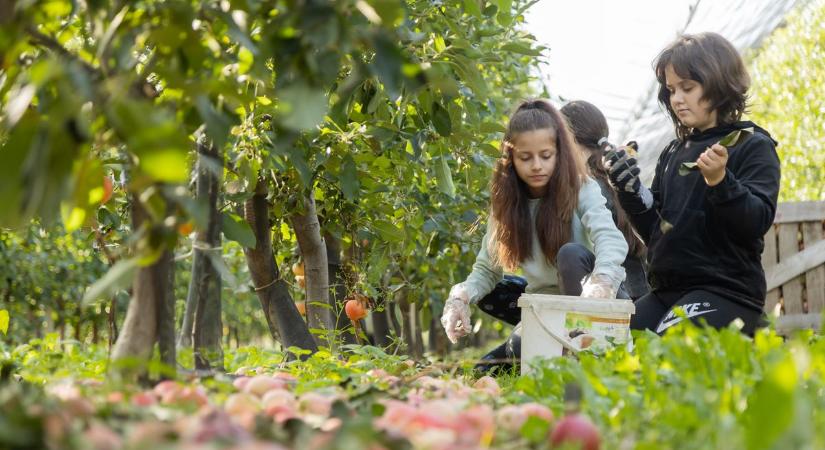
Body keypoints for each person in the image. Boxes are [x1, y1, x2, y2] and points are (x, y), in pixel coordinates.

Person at [602, 32, 780, 336]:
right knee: (606, 344)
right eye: (671, 90)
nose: (677, 99)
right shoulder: (673, 152)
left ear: (719, 85)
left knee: (660, 350)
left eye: (687, 87)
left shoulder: (753, 145)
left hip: (726, 292)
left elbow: (756, 222)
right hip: (666, 293)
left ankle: (749, 337)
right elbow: (655, 231)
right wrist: (627, 189)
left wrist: (721, 182)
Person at [439, 99, 629, 373]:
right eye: (526, 158)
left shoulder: (580, 188)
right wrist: (460, 298)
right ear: (511, 160)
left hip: (594, 299)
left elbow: (609, 238)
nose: (537, 165)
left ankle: (586, 355)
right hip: (546, 309)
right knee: (491, 366)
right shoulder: (507, 205)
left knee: (570, 254)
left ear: (559, 153)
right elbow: (486, 270)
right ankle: (552, 349)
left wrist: (602, 281)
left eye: (546, 155)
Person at [560, 100, 650, 300]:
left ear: (568, 138)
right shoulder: (611, 180)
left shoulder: (588, 187)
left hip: (614, 298)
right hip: (639, 296)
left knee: (571, 255)